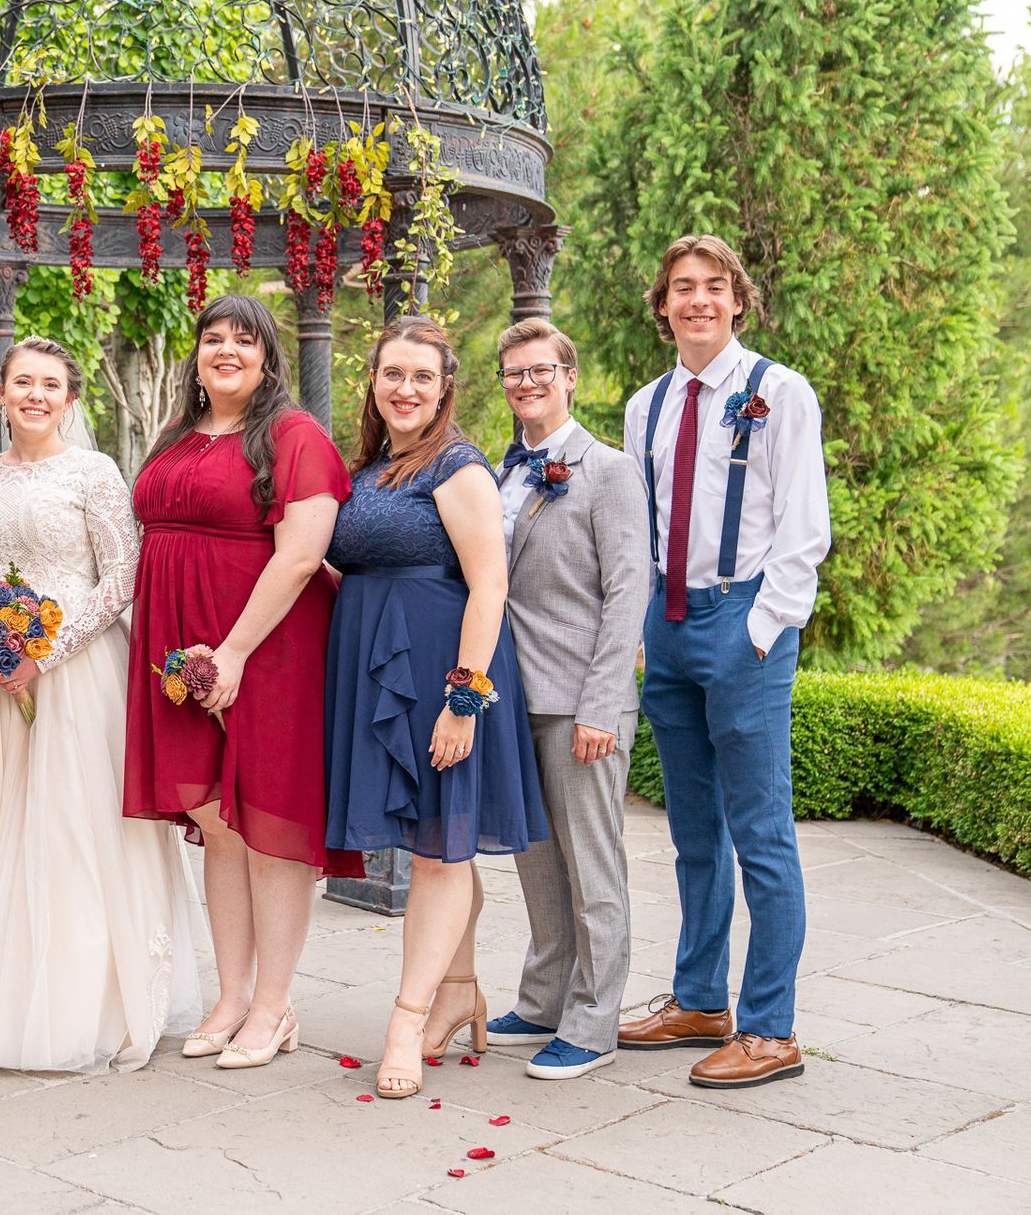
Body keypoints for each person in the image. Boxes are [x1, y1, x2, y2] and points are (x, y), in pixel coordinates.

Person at [0, 338, 202, 1074]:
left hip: (75, 675)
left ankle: (84, 1002)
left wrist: (46, 650)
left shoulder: (94, 473)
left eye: (50, 384)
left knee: (73, 829)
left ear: (70, 399)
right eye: (21, 382)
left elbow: (121, 577)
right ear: (1, 395)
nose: (35, 395)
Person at [124, 294, 359, 1071]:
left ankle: (273, 1005)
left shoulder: (295, 436)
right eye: (213, 337)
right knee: (213, 816)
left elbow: (299, 555)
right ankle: (230, 995)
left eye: (243, 340)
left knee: (268, 820)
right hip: (177, 653)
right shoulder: (178, 434)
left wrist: (231, 653)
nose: (225, 350)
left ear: (268, 358)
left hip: (265, 647)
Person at [619, 235, 831, 1088]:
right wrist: (642, 625)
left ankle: (771, 1026)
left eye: (713, 287)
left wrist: (759, 629)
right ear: (663, 306)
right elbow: (643, 522)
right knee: (692, 831)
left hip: (744, 617)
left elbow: (803, 528)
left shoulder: (780, 392)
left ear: (737, 301)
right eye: (681, 288)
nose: (697, 300)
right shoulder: (646, 405)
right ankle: (702, 998)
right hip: (666, 621)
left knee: (762, 833)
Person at [322, 315, 546, 1099]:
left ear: (445, 386)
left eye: (422, 376)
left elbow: (490, 585)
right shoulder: (376, 465)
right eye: (393, 374)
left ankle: (407, 1018)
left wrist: (463, 701)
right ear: (374, 382)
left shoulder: (458, 468)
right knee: (432, 841)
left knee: (438, 850)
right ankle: (459, 988)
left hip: (445, 676)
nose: (405, 388)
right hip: (383, 670)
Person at [487, 319, 650, 1080]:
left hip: (584, 699)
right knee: (538, 862)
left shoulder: (608, 470)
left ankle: (593, 1021)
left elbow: (628, 593)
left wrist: (603, 703)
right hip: (516, 694)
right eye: (514, 373)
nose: (527, 383)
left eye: (541, 370)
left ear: (570, 376)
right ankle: (545, 995)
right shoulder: (501, 471)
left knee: (593, 866)